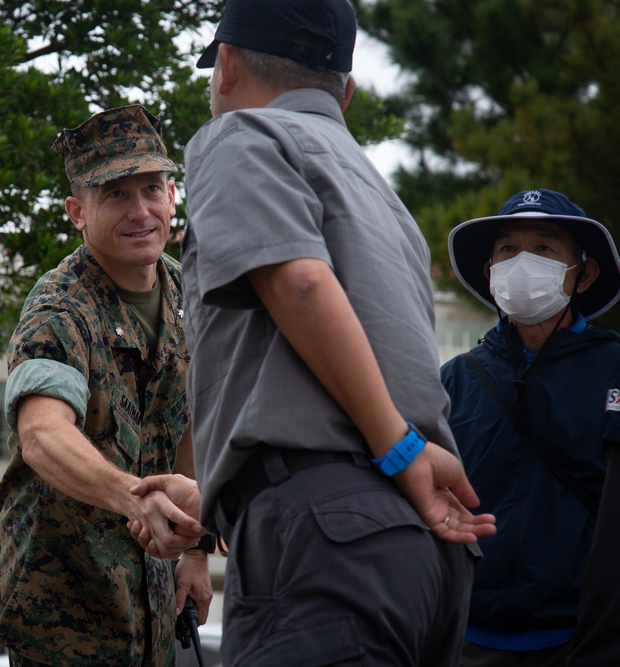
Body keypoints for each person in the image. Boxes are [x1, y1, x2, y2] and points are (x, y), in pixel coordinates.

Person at [175, 0, 498, 664]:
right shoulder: (383, 195)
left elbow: (300, 284)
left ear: (227, 65)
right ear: (345, 92)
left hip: (330, 530)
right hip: (430, 555)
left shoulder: (242, 136)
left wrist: (399, 450)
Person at [0, 104, 213, 667]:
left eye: (152, 190)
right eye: (115, 194)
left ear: (171, 197)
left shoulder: (191, 295)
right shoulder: (58, 308)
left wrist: (196, 552)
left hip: (155, 608)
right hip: (63, 615)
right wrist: (136, 500)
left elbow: (190, 419)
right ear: (77, 213)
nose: (140, 211)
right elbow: (42, 435)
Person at [441, 188, 620, 666]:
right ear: (491, 273)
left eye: (544, 248)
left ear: (583, 274)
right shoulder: (455, 380)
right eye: (507, 249)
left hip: (584, 642)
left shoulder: (615, 369)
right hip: (467, 641)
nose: (523, 262)